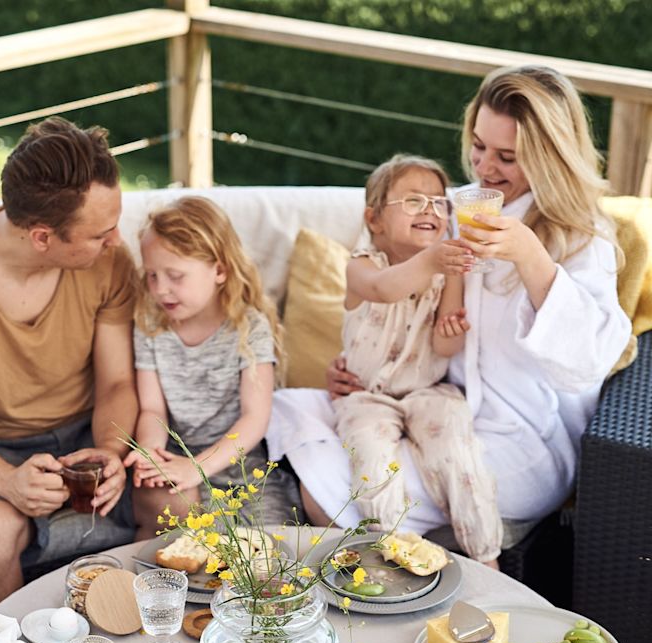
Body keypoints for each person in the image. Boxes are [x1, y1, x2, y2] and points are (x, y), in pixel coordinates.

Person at [266, 66, 633, 551]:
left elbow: (585, 364)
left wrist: (530, 255)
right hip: (430, 405)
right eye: (478, 146)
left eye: (507, 157)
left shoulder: (582, 239)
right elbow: (391, 296)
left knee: (336, 493)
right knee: (295, 408)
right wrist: (360, 365)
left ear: (550, 158)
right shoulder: (458, 212)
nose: (483, 168)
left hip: (517, 443)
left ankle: (429, 567)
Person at [0, 117, 138, 615]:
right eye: (100, 234)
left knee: (174, 501)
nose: (115, 242)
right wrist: (7, 481)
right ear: (42, 237)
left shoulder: (110, 262)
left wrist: (110, 450)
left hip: (83, 431)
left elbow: (116, 380)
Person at [334, 152, 502, 565]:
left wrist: (451, 333)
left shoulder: (450, 272)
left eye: (439, 202)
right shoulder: (361, 265)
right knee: (372, 461)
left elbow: (445, 349)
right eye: (413, 201)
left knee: (458, 449)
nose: (429, 208)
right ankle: (394, 551)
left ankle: (486, 555)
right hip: (367, 395)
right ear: (375, 220)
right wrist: (430, 260)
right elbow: (383, 289)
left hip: (428, 389)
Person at [124, 196, 282, 538]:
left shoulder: (249, 326)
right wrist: (150, 450)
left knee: (271, 547)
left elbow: (254, 418)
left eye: (175, 276)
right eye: (152, 275)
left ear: (220, 270)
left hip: (240, 463)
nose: (160, 289)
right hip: (178, 459)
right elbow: (153, 408)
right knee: (187, 545)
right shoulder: (150, 323)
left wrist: (199, 467)